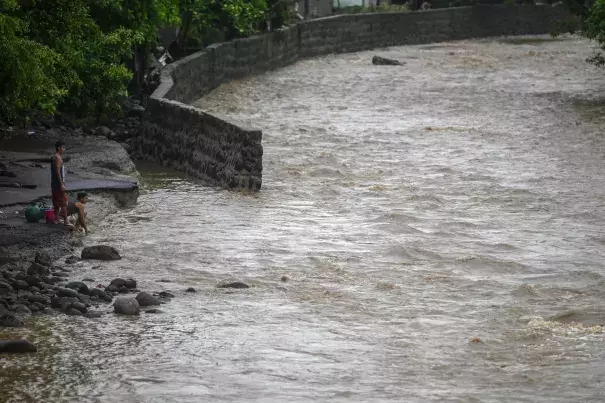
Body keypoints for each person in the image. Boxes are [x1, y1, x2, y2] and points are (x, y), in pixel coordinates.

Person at [50, 140, 74, 229]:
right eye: (63, 147)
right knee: (64, 202)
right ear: (59, 148)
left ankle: (56, 219)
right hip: (58, 183)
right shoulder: (58, 158)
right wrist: (62, 184)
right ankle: (66, 221)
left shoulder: (53, 157)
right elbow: (58, 172)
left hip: (54, 183)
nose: (64, 149)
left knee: (56, 201)